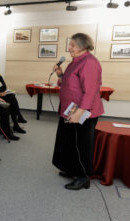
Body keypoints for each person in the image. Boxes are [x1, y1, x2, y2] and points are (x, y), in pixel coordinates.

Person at [52, 33, 104, 190]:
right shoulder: (75, 62)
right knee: (69, 141)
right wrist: (60, 74)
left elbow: (90, 92)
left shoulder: (89, 63)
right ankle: (71, 169)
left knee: (82, 145)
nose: (69, 48)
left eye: (72, 45)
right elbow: (69, 84)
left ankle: (83, 177)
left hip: (82, 112)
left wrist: (79, 112)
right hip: (70, 110)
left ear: (83, 45)